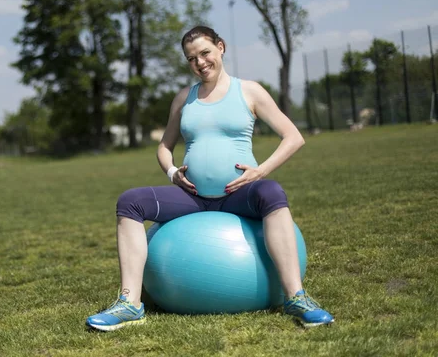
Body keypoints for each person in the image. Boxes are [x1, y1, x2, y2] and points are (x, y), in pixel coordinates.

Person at [86, 26, 334, 332]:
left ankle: (296, 298)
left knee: (271, 191)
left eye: (205, 53)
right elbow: (164, 146)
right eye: (192, 58)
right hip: (194, 198)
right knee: (130, 202)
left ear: (221, 47)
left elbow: (293, 137)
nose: (200, 62)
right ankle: (129, 303)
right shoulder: (183, 99)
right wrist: (172, 171)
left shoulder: (249, 91)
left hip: (239, 194)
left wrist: (261, 170)